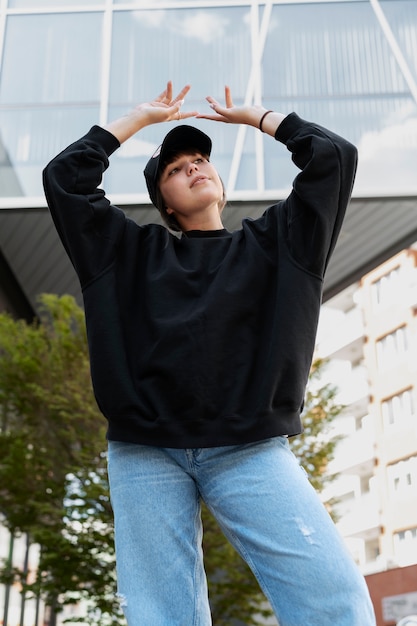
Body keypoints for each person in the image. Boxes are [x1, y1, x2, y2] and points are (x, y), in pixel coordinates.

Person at [43, 82, 376, 626]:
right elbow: (65, 179)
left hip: (250, 448)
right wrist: (138, 120)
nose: (195, 168)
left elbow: (333, 157)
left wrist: (259, 119)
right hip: (145, 452)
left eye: (201, 160)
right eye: (177, 169)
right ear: (164, 203)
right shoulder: (127, 253)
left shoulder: (278, 245)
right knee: (159, 616)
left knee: (333, 600)